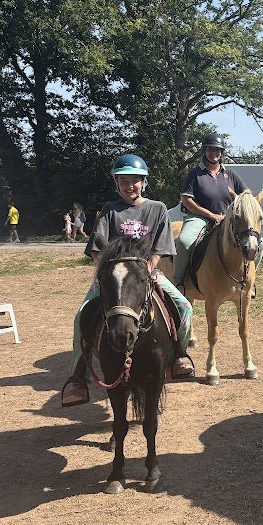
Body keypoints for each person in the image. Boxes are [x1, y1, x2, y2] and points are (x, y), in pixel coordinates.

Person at [61, 153, 195, 407]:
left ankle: (178, 355)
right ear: (117, 183)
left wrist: (148, 268)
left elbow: (161, 247)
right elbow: (96, 249)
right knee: (81, 317)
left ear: (143, 182)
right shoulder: (110, 211)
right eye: (124, 181)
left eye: (135, 180)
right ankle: (78, 377)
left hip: (147, 273)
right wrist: (108, 272)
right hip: (114, 277)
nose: (129, 185)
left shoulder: (157, 209)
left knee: (184, 307)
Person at [173, 132, 263, 293]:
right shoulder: (195, 173)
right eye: (210, 149)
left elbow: (246, 195)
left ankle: (249, 281)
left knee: (261, 243)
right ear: (204, 151)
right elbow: (187, 200)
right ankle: (179, 281)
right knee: (184, 241)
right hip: (200, 218)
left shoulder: (231, 174)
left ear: (222, 153)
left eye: (217, 150)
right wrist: (211, 215)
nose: (213, 153)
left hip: (227, 220)